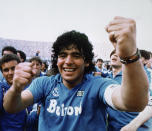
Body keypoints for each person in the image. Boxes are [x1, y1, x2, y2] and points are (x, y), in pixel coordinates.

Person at [3, 17, 149, 131]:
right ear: (56, 60)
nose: (68, 61)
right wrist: (16, 88)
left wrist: (130, 56)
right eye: (63, 55)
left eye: (76, 55)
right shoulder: (44, 83)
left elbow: (132, 103)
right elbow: (12, 106)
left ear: (86, 61)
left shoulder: (98, 85)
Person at [106, 49, 152, 131]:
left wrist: (132, 125)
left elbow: (150, 103)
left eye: (119, 54)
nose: (115, 55)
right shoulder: (105, 80)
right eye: (112, 53)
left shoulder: (136, 77)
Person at [0, 54, 27, 131]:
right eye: (6, 70)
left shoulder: (31, 86)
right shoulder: (1, 89)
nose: (10, 73)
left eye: (13, 68)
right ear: (2, 73)